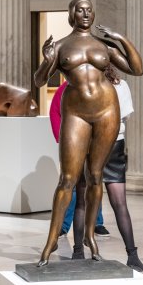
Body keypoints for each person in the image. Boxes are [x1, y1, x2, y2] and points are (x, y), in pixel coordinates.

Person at [33, 0, 143, 266]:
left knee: (95, 176)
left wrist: (122, 39)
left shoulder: (103, 45)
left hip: (107, 110)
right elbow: (38, 81)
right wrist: (47, 62)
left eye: (89, 10)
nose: (86, 14)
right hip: (77, 113)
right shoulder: (60, 46)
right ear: (72, 14)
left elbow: (137, 68)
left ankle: (90, 238)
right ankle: (51, 242)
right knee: (68, 179)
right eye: (80, 10)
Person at [71, 65, 143, 271]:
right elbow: (125, 115)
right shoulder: (120, 85)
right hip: (114, 142)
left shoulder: (82, 85)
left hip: (88, 144)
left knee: (82, 201)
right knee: (119, 202)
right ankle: (132, 255)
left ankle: (78, 252)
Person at [47, 80, 106, 250]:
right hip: (73, 145)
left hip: (93, 145)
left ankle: (96, 223)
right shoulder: (66, 88)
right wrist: (63, 140)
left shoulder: (96, 87)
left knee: (94, 182)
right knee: (70, 186)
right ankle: (64, 226)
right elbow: (55, 112)